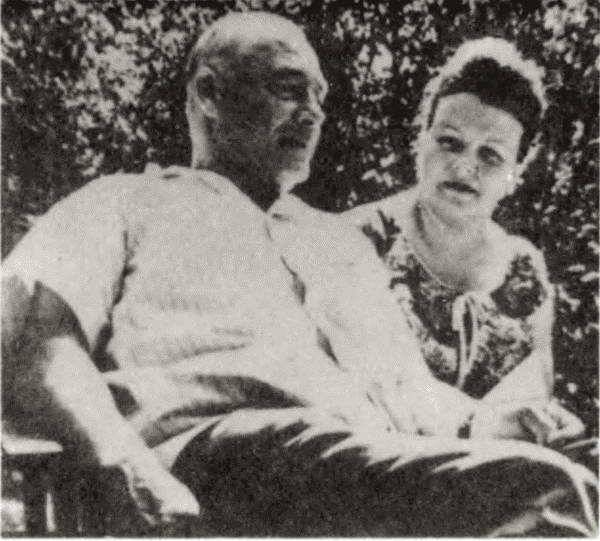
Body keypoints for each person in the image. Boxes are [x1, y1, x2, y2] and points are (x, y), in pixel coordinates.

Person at [2, 14, 597, 536]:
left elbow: (404, 391)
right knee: (546, 491)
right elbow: (37, 335)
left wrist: (488, 421)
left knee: (582, 476)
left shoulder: (336, 243)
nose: (313, 114)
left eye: (319, 97)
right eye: (290, 90)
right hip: (224, 464)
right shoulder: (127, 202)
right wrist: (122, 461)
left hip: (351, 465)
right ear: (209, 93)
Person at [345, 38, 594, 453]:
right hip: (377, 466)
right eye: (450, 142)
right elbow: (362, 390)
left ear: (515, 174)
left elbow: (532, 401)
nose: (465, 166)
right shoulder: (359, 239)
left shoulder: (524, 270)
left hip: (498, 478)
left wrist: (551, 423)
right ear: (421, 141)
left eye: (491, 155)